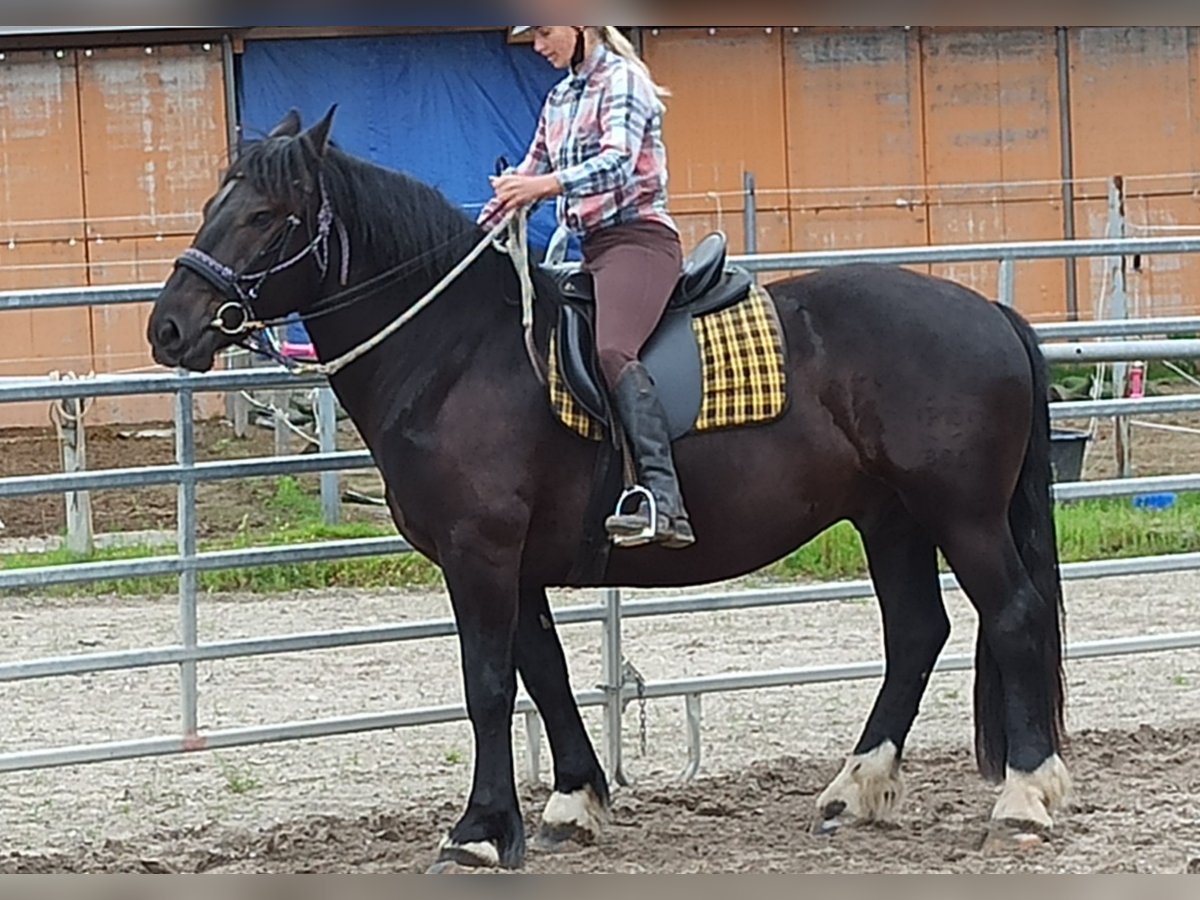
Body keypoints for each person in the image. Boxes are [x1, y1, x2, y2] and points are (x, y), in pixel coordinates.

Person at [479, 25, 693, 549]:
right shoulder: (559, 97)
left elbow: (617, 162)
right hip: (587, 247)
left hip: (639, 240)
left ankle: (665, 501)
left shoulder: (623, 81)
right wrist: (478, 233)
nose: (538, 45)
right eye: (531, 38)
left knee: (613, 348)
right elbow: (528, 171)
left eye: (545, 33)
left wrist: (545, 186)